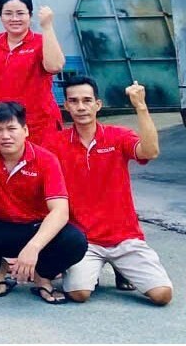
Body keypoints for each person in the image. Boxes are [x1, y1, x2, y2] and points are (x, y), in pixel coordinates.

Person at [0, 102, 87, 304]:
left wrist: (33, 247)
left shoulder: (45, 159)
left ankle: (42, 276)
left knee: (75, 241)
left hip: (34, 226)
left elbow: (60, 211)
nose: (5, 136)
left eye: (12, 129)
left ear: (25, 130)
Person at [53, 78, 172, 306]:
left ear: (98, 104)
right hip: (84, 240)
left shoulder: (118, 136)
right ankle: (93, 271)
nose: (81, 107)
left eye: (87, 100)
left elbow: (150, 151)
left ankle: (121, 267)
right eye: (74, 101)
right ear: (66, 106)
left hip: (125, 237)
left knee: (162, 295)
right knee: (79, 294)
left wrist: (141, 106)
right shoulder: (55, 143)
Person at [0, 0, 65, 145]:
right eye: (8, 13)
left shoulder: (42, 42)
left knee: (40, 160)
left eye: (20, 13)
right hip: (1, 123)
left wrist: (47, 27)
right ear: (0, 16)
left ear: (30, 15)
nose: (14, 19)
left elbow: (55, 66)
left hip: (40, 124)